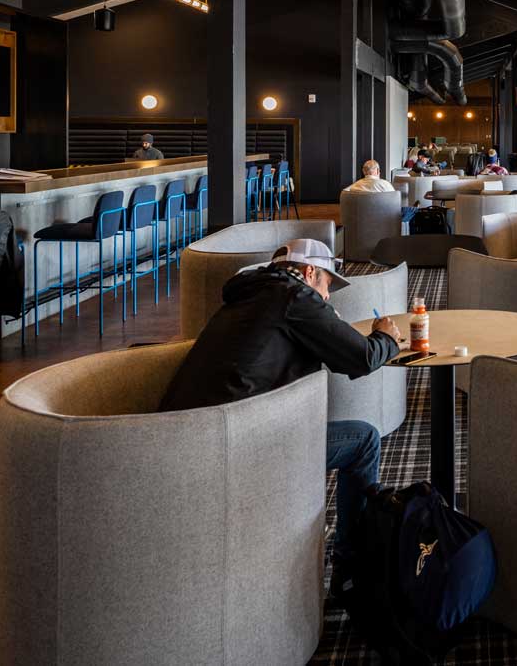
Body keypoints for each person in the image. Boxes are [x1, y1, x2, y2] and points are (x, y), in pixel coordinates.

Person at [159, 239, 403, 585]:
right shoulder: (294, 297)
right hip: (233, 442)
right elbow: (361, 357)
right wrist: (386, 338)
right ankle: (350, 567)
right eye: (327, 285)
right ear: (309, 272)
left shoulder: (251, 293)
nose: (327, 296)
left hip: (183, 434)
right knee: (364, 440)